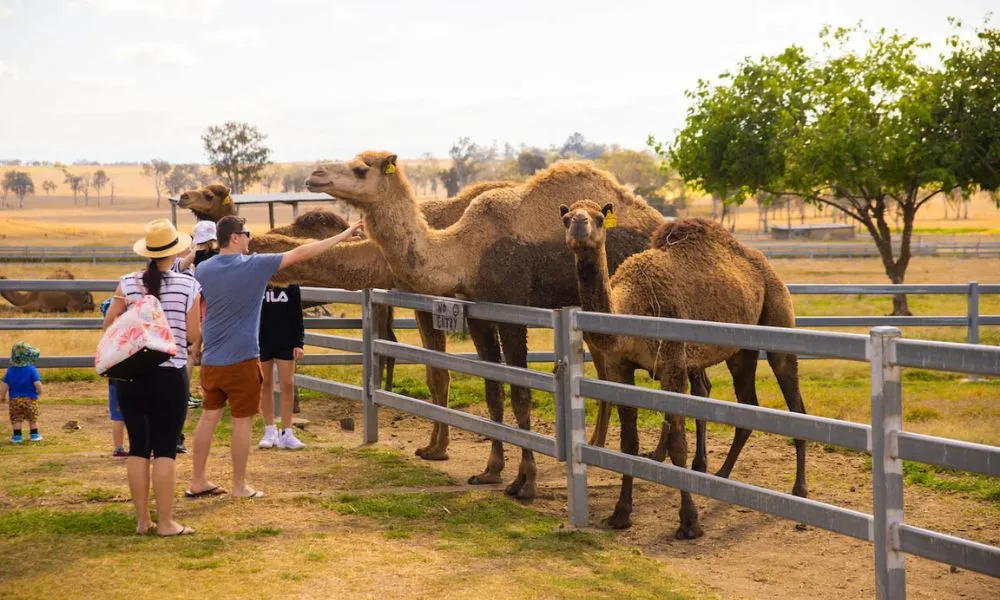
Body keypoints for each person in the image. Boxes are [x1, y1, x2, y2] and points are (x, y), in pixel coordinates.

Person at [186, 215, 363, 499]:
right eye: (246, 233)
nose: (249, 238)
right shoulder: (255, 266)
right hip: (242, 359)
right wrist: (342, 237)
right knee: (242, 423)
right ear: (234, 237)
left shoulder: (204, 269)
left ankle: (197, 480)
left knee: (208, 419)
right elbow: (302, 252)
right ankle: (239, 485)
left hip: (211, 361)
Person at [103, 218, 201, 536]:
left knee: (138, 448)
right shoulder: (190, 286)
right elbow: (192, 334)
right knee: (165, 449)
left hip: (130, 377)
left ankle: (142, 520)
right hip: (170, 376)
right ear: (176, 250)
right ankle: (166, 522)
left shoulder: (127, 283)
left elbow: (109, 324)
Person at [258, 283, 306, 450]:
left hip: (286, 341)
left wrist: (299, 343)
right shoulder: (258, 279)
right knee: (265, 383)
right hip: (261, 340)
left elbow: (297, 313)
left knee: (287, 384)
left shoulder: (291, 284)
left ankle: (287, 432)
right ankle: (270, 430)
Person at [99, 298, 127, 457]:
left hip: (114, 380)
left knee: (118, 416)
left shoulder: (107, 338)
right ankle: (140, 445)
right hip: (129, 379)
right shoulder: (130, 334)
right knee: (135, 414)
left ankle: (119, 447)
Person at [2, 342, 43, 443]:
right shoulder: (31, 370)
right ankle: (34, 435)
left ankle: (17, 437)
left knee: (16, 418)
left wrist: (2, 395)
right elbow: (37, 383)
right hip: (30, 399)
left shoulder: (10, 370)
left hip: (14, 400)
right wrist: (40, 391)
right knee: (32, 418)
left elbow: (5, 385)